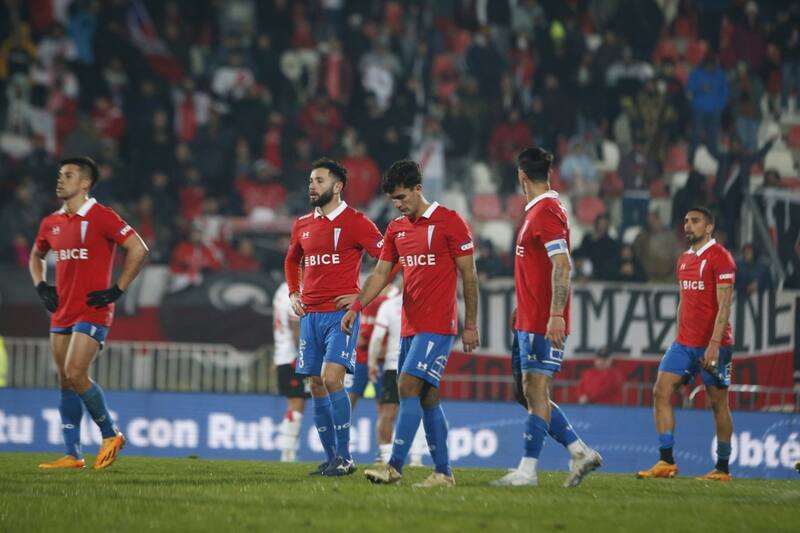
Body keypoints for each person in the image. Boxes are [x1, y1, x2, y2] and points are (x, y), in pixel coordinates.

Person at [341, 159, 480, 488]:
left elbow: (469, 275)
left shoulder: (450, 221)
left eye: (402, 197)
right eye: (394, 200)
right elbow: (380, 274)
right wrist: (358, 305)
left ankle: (394, 466)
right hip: (409, 326)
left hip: (439, 325)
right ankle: (443, 473)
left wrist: (471, 324)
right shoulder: (396, 229)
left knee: (406, 385)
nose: (399, 205)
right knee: (428, 397)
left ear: (419, 189)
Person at [491, 147, 602, 488]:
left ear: (521, 176)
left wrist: (556, 313)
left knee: (536, 388)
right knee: (524, 392)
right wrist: (523, 304)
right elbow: (537, 267)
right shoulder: (538, 211)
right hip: (529, 316)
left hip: (543, 320)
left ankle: (528, 470)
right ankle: (580, 451)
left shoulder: (548, 212)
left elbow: (562, 266)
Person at [29, 157, 149, 469]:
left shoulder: (101, 216)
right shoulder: (51, 222)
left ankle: (111, 435)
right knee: (65, 381)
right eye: (59, 175)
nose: (60, 180)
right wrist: (41, 285)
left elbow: (138, 248)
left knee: (75, 372)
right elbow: (36, 255)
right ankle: (73, 454)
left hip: (93, 309)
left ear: (85, 183)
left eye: (68, 175)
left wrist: (117, 290)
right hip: (62, 312)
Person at [284, 158, 384, 477]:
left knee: (331, 379)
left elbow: (388, 260)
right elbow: (292, 260)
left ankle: (345, 457)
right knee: (315, 383)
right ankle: (331, 459)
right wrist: (294, 292)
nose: (312, 186)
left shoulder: (357, 222)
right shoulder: (302, 224)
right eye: (311, 181)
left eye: (320, 181)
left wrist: (360, 297)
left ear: (338, 186)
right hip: (310, 315)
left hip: (340, 316)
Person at [637, 207, 736, 481]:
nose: (688, 225)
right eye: (685, 221)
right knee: (660, 391)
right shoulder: (683, 259)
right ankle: (666, 461)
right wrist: (679, 336)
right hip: (684, 343)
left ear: (709, 227)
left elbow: (725, 306)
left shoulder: (721, 258)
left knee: (718, 403)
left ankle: (722, 468)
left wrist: (714, 343)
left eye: (695, 221)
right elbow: (683, 301)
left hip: (715, 344)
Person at [368, 283, 427, 467]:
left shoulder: (388, 305)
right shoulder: (425, 304)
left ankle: (386, 457)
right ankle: (416, 458)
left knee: (387, 412)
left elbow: (377, 337)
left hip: (393, 365)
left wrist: (371, 363)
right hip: (417, 364)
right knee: (416, 410)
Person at [347, 283, 397, 412]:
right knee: (349, 399)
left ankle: (383, 427)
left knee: (383, 402)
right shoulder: (359, 300)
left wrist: (389, 347)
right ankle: (342, 424)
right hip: (360, 358)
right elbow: (347, 322)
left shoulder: (392, 302)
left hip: (381, 359)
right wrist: (355, 336)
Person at [272, 281, 308, 463]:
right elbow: (296, 330)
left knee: (294, 402)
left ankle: (288, 451)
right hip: (293, 356)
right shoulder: (297, 292)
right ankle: (288, 452)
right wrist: (304, 357)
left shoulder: (281, 289)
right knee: (297, 402)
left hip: (282, 353)